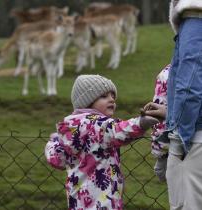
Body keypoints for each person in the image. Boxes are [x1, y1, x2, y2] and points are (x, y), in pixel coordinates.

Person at [45, 74, 159, 210]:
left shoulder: (70, 129)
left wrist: (53, 142)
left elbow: (57, 159)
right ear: (87, 101)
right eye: (104, 96)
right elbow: (119, 131)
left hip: (78, 201)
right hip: (102, 200)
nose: (111, 100)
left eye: (113, 96)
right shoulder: (96, 124)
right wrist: (142, 123)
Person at [146, 1, 202, 209]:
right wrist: (170, 112)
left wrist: (180, 138)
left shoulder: (195, 14)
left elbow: (190, 83)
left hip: (195, 140)